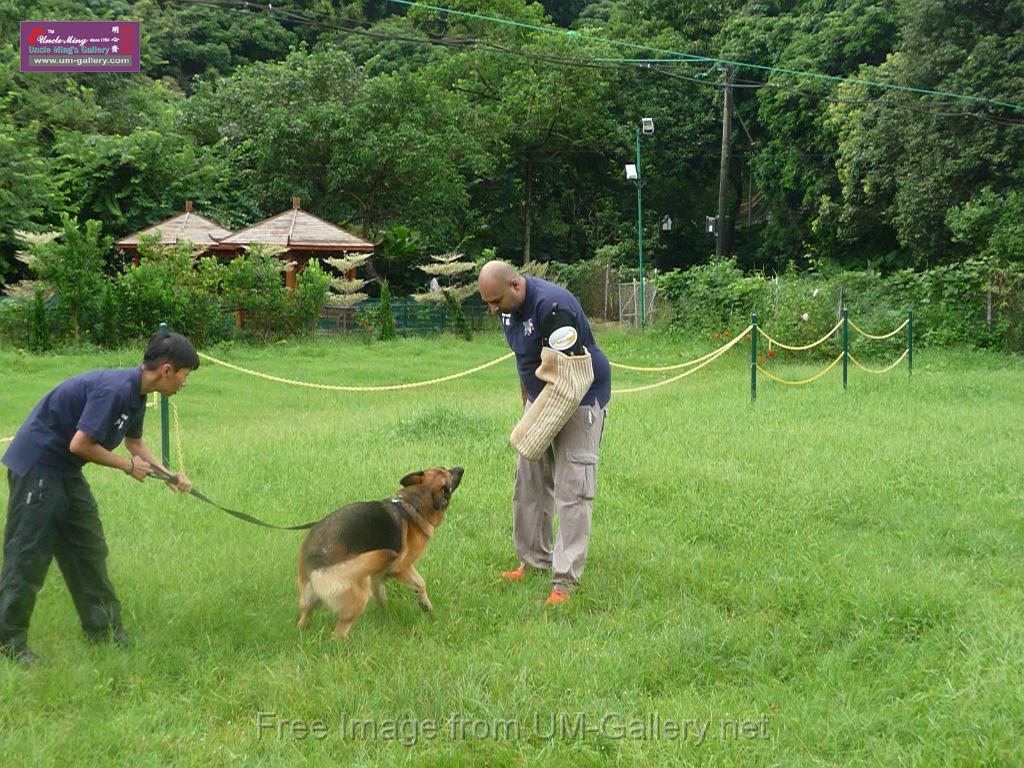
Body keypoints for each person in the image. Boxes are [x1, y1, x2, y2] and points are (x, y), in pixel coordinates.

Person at [0, 331, 198, 666]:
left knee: (87, 548)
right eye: (184, 375)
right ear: (167, 370)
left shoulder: (137, 393)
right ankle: (9, 644)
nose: (184, 383)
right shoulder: (115, 390)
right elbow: (80, 444)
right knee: (27, 554)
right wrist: (126, 467)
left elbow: (134, 443)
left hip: (65, 471)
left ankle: (105, 631)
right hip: (38, 466)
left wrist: (168, 476)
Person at [477, 261, 610, 605]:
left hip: (580, 396)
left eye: (496, 301)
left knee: (573, 485)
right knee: (530, 480)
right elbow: (525, 363)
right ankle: (533, 559)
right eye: (488, 303)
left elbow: (569, 377)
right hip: (541, 398)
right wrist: (528, 411)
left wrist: (546, 425)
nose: (493, 311)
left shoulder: (554, 307)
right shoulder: (509, 310)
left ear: (516, 287)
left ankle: (564, 582)